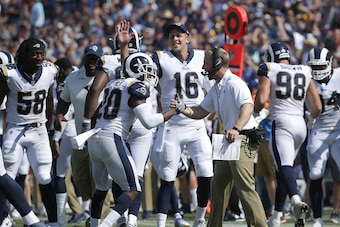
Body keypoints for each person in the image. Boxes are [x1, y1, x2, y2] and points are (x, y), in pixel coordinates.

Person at [174, 46, 268, 227]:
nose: (203, 65)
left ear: (217, 63)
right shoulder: (218, 86)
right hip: (230, 141)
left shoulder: (234, 83)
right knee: (217, 187)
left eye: (206, 62)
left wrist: (236, 128)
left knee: (245, 188)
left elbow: (247, 107)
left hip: (243, 138)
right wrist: (181, 108)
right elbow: (200, 111)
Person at [83, 52, 178, 227]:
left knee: (101, 190)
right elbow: (148, 122)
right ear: (136, 70)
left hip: (95, 138)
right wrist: (173, 111)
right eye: (147, 70)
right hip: (111, 138)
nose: (151, 75)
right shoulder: (136, 87)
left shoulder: (113, 84)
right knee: (134, 189)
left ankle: (95, 223)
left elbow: (96, 113)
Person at [150, 22, 213, 227]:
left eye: (179, 35)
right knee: (167, 176)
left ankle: (200, 219)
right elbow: (145, 78)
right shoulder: (160, 58)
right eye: (171, 36)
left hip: (196, 125)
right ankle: (161, 223)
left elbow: (214, 86)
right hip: (172, 126)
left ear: (188, 37)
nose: (175, 39)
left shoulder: (204, 57)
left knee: (205, 173)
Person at [254, 42, 322, 227]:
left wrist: (254, 112)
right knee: (283, 169)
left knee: (284, 167)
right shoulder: (304, 69)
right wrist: (309, 118)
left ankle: (295, 201)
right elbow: (317, 107)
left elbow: (261, 99)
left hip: (282, 122)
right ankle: (277, 215)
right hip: (300, 124)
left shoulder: (269, 68)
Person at [0, 38, 58, 226]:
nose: (39, 58)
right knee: (7, 174)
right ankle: (5, 217)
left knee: (43, 175)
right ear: (24, 54)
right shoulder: (11, 74)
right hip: (15, 130)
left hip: (39, 130)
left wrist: (49, 127)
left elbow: (49, 99)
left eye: (41, 54)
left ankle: (54, 221)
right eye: (34, 54)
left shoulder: (50, 71)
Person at [306, 47, 340, 227]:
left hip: (338, 132)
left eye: (321, 67)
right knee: (315, 173)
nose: (318, 72)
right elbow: (305, 112)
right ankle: (318, 218)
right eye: (315, 68)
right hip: (318, 131)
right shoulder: (306, 80)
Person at [51, 57, 79, 226]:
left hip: (67, 134)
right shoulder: (78, 79)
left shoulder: (63, 84)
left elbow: (64, 114)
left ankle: (60, 218)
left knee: (60, 175)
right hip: (84, 132)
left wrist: (55, 138)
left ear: (61, 70)